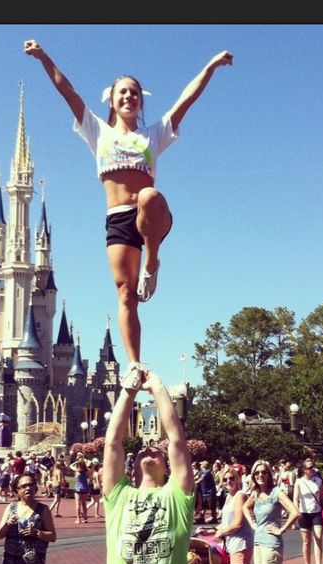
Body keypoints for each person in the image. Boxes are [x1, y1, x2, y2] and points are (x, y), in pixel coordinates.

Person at [24, 39, 233, 386]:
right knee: (125, 295)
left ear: (141, 100)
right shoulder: (98, 133)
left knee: (149, 194)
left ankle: (153, 262)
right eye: (122, 92)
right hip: (118, 220)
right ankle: (134, 363)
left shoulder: (153, 135)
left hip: (151, 217)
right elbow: (68, 91)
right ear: (112, 99)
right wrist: (44, 56)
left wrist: (210, 66)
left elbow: (187, 99)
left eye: (134, 93)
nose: (128, 97)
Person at [96, 369, 195, 564]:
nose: (152, 447)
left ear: (168, 467)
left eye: (158, 449)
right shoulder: (118, 496)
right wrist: (127, 392)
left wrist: (157, 388)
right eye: (143, 448)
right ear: (132, 465)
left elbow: (177, 439)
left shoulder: (178, 497)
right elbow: (112, 442)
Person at [293, 457, 323, 564]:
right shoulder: (299, 482)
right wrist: (296, 511)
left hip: (316, 512)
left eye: (312, 467)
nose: (312, 469)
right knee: (306, 541)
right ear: (304, 470)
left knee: (318, 537)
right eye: (309, 468)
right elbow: (295, 498)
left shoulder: (317, 480)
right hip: (304, 513)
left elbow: (322, 497)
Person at [70, 458, 90, 524]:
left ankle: (78, 519)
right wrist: (85, 463)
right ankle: (85, 518)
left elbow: (70, 466)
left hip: (78, 488)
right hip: (85, 488)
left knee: (77, 504)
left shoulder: (77, 471)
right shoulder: (87, 471)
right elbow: (89, 466)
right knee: (84, 503)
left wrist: (76, 462)